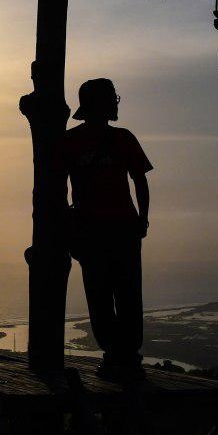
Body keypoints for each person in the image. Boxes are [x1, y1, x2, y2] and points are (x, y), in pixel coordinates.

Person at [64, 78, 152, 381]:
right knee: (118, 295)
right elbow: (140, 180)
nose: (115, 103)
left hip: (108, 230)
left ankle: (121, 357)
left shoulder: (80, 140)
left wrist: (142, 219)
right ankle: (122, 357)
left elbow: (140, 179)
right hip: (108, 230)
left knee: (108, 295)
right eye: (112, 99)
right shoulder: (79, 141)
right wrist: (143, 219)